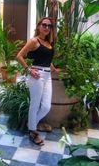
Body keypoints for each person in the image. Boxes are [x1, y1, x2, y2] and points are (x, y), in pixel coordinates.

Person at [16, 17, 59, 146]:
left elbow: (47, 60)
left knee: (46, 106)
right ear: (39, 26)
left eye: (49, 26)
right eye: (44, 25)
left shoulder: (49, 43)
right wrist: (29, 70)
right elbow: (19, 56)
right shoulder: (35, 41)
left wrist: (54, 70)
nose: (46, 27)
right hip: (37, 75)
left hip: (47, 76)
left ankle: (31, 124)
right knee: (35, 104)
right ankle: (32, 131)